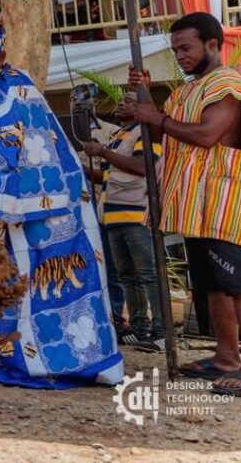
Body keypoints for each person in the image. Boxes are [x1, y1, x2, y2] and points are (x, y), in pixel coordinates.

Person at [0, 29, 123, 388]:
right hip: (5, 219)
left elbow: (14, 144)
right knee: (7, 285)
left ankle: (61, 363)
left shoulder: (19, 90)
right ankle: (6, 357)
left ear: (1, 58)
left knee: (47, 288)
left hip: (47, 213)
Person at [126, 12, 241, 397]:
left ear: (213, 43)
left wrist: (155, 116)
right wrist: (146, 98)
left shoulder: (227, 83)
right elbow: (169, 126)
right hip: (199, 205)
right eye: (175, 49)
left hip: (231, 202)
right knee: (214, 286)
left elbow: (207, 135)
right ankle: (226, 357)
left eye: (186, 47)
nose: (180, 55)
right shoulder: (187, 90)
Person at [83, 93, 165, 351]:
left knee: (148, 274)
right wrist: (85, 170)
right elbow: (110, 175)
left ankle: (161, 331)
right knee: (128, 275)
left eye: (128, 100)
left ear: (141, 107)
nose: (120, 102)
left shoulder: (145, 132)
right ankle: (139, 328)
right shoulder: (120, 136)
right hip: (112, 216)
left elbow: (143, 167)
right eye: (119, 99)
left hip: (135, 213)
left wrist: (103, 152)